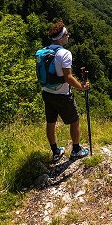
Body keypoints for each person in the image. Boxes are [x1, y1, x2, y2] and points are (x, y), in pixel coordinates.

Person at [42, 20, 90, 161]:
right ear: (61, 37)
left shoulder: (44, 51)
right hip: (62, 95)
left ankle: (56, 151)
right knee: (74, 120)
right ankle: (76, 150)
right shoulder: (65, 54)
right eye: (67, 34)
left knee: (50, 122)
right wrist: (81, 87)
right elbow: (68, 77)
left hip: (47, 92)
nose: (68, 36)